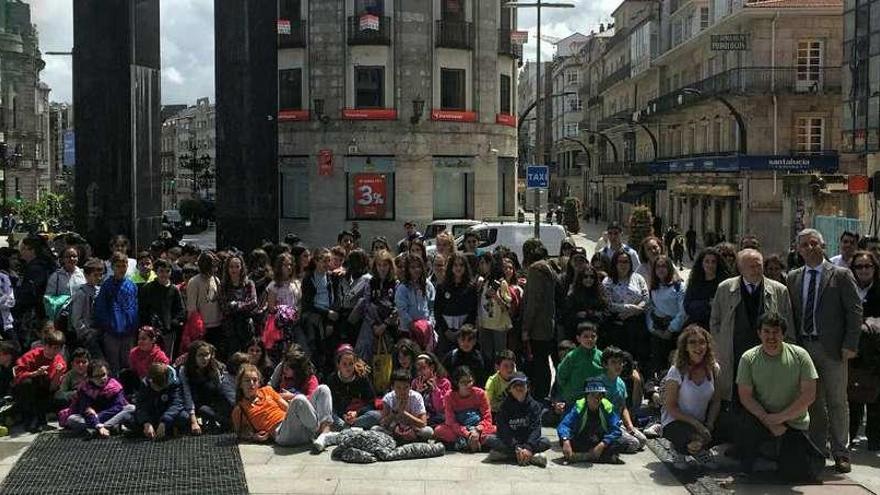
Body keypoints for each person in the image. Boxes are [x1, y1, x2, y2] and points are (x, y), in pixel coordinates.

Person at [786, 228, 862, 473]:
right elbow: (792, 314)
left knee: (837, 400)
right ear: (798, 250)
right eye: (805, 245)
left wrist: (850, 345)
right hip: (804, 347)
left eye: (814, 243)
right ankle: (818, 448)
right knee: (813, 401)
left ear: (823, 245)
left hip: (833, 348)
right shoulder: (794, 277)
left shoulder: (840, 275)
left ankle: (841, 451)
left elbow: (854, 311)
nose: (810, 248)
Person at [735, 312, 824, 481]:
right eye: (766, 331)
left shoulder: (801, 356)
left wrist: (781, 418)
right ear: (759, 333)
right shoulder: (748, 358)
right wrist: (767, 419)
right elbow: (745, 396)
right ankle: (748, 463)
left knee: (794, 474)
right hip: (762, 417)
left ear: (783, 334)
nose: (771, 336)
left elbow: (809, 395)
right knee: (745, 421)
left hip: (792, 421)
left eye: (776, 332)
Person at [710, 249, 793, 407]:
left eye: (759, 266)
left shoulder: (779, 290)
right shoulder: (725, 288)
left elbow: (787, 324)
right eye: (751, 266)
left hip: (766, 351)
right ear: (740, 269)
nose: (756, 270)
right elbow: (715, 321)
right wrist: (720, 344)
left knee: (764, 396)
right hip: (734, 351)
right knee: (735, 396)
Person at [232, 364, 335, 450]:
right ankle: (318, 430)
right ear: (240, 384)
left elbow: (287, 407)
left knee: (323, 389)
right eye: (247, 380)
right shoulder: (240, 409)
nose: (251, 384)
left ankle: (324, 433)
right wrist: (254, 437)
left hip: (295, 424)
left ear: (259, 382)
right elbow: (239, 433)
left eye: (254, 380)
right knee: (299, 399)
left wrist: (300, 409)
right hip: (282, 434)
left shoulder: (267, 390)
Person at [661, 325, 722, 468]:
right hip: (676, 420)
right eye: (692, 342)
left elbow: (716, 401)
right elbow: (670, 407)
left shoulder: (714, 368)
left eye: (702, 342)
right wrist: (697, 425)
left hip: (702, 421)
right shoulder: (676, 371)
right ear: (685, 347)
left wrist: (709, 424)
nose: (698, 347)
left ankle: (698, 448)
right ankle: (680, 449)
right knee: (693, 439)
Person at [848, 251, 880, 450]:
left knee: (876, 399)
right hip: (853, 353)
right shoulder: (847, 287)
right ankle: (849, 437)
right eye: (859, 266)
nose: (864, 270)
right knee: (852, 398)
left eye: (868, 266)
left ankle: (875, 440)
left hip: (876, 353)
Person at [486, 372, 550, 467]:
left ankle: (508, 456)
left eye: (522, 385)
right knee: (490, 440)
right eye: (515, 385)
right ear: (510, 389)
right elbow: (503, 430)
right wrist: (516, 446)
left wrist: (528, 447)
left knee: (546, 442)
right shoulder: (504, 406)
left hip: (527, 440)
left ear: (527, 387)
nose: (519, 388)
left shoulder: (534, 406)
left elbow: (536, 429)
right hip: (511, 442)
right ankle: (531, 457)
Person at [557, 378, 625, 464]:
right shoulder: (579, 407)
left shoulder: (607, 407)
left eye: (600, 395)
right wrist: (565, 440)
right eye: (593, 395)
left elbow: (616, 430)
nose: (597, 399)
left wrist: (602, 444)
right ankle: (599, 457)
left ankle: (581, 456)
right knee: (563, 439)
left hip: (600, 441)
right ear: (586, 396)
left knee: (620, 443)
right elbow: (564, 425)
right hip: (583, 440)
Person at [59, 359, 134, 438]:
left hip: (110, 416)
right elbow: (85, 409)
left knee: (131, 408)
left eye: (103, 375)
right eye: (97, 376)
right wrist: (97, 423)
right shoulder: (85, 388)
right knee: (72, 419)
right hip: (90, 418)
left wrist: (98, 417)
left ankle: (100, 428)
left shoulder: (114, 386)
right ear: (90, 378)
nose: (102, 379)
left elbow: (118, 406)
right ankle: (107, 428)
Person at [521, 243, 559, 401]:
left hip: (538, 326)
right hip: (549, 324)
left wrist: (525, 328)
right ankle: (545, 394)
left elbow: (533, 302)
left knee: (539, 362)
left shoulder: (536, 270)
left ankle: (540, 395)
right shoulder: (551, 269)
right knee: (544, 360)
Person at [95, 252, 139, 375]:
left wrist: (133, 326)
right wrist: (109, 327)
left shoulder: (132, 285)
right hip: (112, 334)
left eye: (124, 265)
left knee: (128, 365)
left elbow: (134, 308)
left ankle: (128, 392)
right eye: (118, 266)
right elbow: (101, 309)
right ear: (112, 267)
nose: (121, 269)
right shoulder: (106, 286)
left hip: (129, 333)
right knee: (113, 366)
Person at [434, 366, 496, 452]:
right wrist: (467, 434)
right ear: (457, 383)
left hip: (478, 428)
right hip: (460, 429)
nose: (468, 385)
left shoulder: (480, 393)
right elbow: (450, 421)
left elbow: (487, 418)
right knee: (439, 430)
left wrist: (477, 431)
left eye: (470, 381)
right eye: (463, 382)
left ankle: (465, 444)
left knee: (496, 429)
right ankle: (475, 443)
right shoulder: (449, 396)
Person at [179, 340, 237, 433]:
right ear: (194, 356)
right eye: (200, 355)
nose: (204, 358)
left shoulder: (215, 367)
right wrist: (194, 421)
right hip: (198, 405)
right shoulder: (185, 371)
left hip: (214, 401)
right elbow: (187, 395)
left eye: (207, 355)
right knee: (205, 410)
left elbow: (220, 389)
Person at [603, 249, 649, 363]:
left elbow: (646, 297)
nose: (623, 265)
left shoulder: (638, 278)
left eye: (626, 262)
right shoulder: (608, 281)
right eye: (620, 262)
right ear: (615, 263)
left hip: (638, 324)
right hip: (618, 325)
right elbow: (608, 304)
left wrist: (635, 310)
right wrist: (628, 308)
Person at [646, 256, 687, 380]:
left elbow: (682, 311)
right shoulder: (653, 287)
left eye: (664, 266)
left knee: (675, 363)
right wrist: (653, 328)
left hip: (674, 330)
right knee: (658, 364)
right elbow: (650, 309)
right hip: (658, 329)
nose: (661, 269)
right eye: (658, 266)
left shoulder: (679, 286)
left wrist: (670, 329)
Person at [601, 346, 647, 452]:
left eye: (620, 362)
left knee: (642, 441)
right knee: (633, 444)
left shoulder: (620, 383)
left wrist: (630, 426)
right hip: (604, 426)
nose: (618, 366)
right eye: (613, 362)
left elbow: (623, 407)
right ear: (605, 364)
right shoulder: (600, 383)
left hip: (618, 423)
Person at [325, 344, 381, 431]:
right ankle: (348, 427)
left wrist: (356, 413)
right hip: (341, 416)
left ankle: (347, 427)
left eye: (351, 364)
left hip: (358, 415)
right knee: (329, 415)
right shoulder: (332, 379)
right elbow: (332, 404)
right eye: (344, 364)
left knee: (376, 416)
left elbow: (371, 402)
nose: (348, 367)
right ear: (338, 365)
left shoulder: (362, 377)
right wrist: (344, 415)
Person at [138, 258, 186, 359]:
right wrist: (147, 327)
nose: (164, 274)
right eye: (161, 271)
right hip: (151, 331)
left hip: (168, 331)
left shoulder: (174, 290)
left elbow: (180, 310)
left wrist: (173, 323)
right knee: (150, 357)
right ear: (156, 272)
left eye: (167, 271)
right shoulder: (147, 288)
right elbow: (142, 310)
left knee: (166, 358)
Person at [354, 250, 397, 363]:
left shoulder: (395, 284)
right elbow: (366, 305)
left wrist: (385, 324)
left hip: (388, 323)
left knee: (388, 351)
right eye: (379, 265)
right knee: (363, 347)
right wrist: (373, 325)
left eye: (385, 265)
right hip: (371, 322)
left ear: (390, 266)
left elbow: (397, 307)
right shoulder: (371, 282)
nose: (382, 268)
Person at [434, 252, 477, 355]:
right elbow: (437, 311)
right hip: (445, 332)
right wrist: (446, 331)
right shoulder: (442, 287)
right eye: (455, 265)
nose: (458, 268)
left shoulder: (470, 287)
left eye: (461, 265)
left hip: (465, 333)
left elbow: (473, 311)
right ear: (450, 267)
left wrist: (461, 331)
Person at [375, 368, 434, 443]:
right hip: (394, 429)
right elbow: (383, 423)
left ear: (410, 387)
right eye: (398, 388)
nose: (402, 391)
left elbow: (423, 423)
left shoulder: (416, 397)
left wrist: (404, 413)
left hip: (413, 428)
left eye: (405, 388)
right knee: (375, 429)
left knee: (428, 431)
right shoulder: (388, 398)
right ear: (393, 387)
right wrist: (394, 412)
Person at [556, 322, 604, 412]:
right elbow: (561, 376)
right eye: (585, 336)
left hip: (596, 401)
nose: (590, 339)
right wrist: (569, 392)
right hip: (574, 401)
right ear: (578, 338)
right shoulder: (572, 356)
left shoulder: (601, 356)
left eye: (593, 336)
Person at [477, 253, 514, 363]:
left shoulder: (501, 283)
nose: (481, 266)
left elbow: (507, 307)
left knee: (499, 357)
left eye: (484, 263)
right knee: (486, 356)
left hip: (498, 325)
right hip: (485, 324)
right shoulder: (484, 282)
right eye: (480, 263)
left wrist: (496, 296)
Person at [219, 253, 258, 357]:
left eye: (237, 266)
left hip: (246, 325)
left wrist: (237, 305)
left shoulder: (249, 284)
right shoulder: (223, 286)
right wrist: (241, 306)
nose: (234, 270)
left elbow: (253, 302)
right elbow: (224, 307)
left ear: (242, 268)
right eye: (231, 267)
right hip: (230, 327)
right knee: (233, 355)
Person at [395, 254, 435, 352]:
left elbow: (432, 306)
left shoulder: (427, 285)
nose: (416, 270)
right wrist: (412, 324)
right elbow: (401, 309)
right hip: (408, 330)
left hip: (425, 329)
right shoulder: (403, 288)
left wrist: (430, 322)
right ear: (407, 269)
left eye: (418, 266)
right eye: (413, 267)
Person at [186, 252, 223, 358]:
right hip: (202, 327)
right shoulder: (194, 282)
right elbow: (191, 308)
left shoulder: (216, 279)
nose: (213, 270)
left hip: (216, 324)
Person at [683, 248, 729, 331]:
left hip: (718, 327)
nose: (710, 265)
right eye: (707, 261)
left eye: (713, 262)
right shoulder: (695, 282)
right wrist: (707, 304)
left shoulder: (724, 284)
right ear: (702, 263)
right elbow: (687, 306)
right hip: (697, 326)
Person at [69, 258, 104, 359]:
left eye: (100, 275)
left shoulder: (99, 290)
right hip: (88, 335)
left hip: (99, 331)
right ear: (86, 275)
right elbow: (76, 319)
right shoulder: (81, 293)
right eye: (95, 275)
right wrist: (87, 332)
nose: (99, 278)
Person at [412, 352, 451, 426]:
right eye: (418, 369)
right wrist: (418, 393)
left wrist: (435, 390)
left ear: (432, 367)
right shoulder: (415, 382)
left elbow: (441, 408)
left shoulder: (444, 382)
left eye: (423, 368)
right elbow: (412, 407)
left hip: (438, 416)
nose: (420, 372)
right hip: (421, 416)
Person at [485, 350, 517, 414]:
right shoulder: (492, 382)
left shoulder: (518, 378)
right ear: (497, 367)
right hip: (497, 412)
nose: (509, 369)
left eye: (512, 365)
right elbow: (486, 403)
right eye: (506, 366)